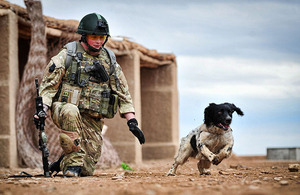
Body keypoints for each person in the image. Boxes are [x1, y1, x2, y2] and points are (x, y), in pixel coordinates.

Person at [34, 13, 145, 177]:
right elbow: (48, 87)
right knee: (71, 111)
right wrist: (42, 109)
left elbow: (122, 92)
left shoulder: (109, 60)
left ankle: (62, 162)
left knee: (86, 169)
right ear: (84, 36)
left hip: (92, 119)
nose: (99, 41)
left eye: (102, 37)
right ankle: (71, 165)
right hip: (65, 109)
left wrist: (132, 121)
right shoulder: (68, 55)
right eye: (94, 36)